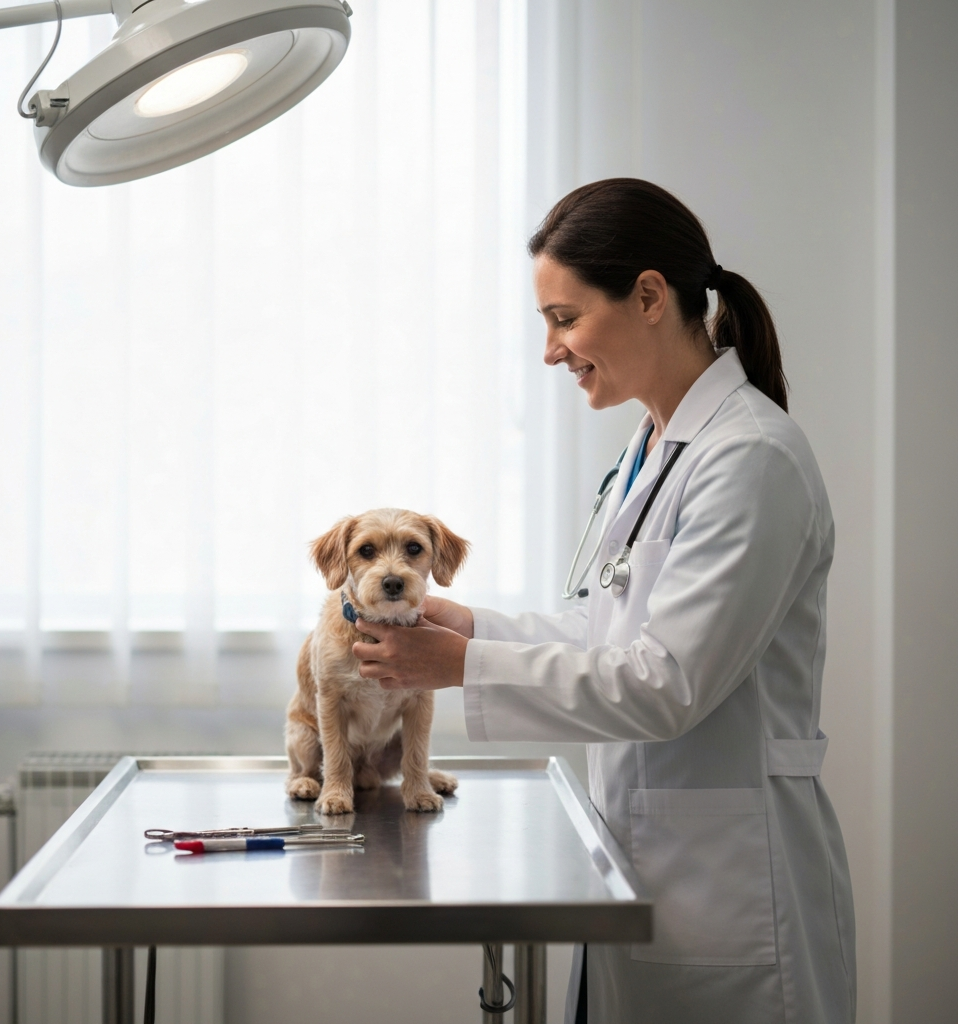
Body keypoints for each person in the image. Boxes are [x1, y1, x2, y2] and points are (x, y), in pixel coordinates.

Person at [352, 179, 856, 1024]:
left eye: (565, 317)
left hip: (732, 881)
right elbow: (602, 629)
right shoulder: (653, 448)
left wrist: (461, 664)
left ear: (650, 296)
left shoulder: (751, 458)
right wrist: (464, 626)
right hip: (649, 859)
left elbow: (665, 683)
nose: (552, 350)